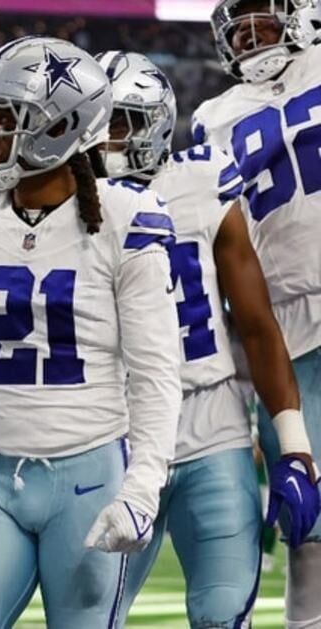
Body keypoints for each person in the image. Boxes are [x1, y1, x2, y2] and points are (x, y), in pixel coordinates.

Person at [0, 36, 183, 628]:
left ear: (61, 126)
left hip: (91, 476)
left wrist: (141, 489)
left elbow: (155, 374)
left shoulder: (125, 219)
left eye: (6, 118)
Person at [98, 49, 320, 627]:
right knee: (90, 614)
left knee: (223, 615)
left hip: (210, 422)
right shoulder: (64, 209)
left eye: (120, 121)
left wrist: (293, 447)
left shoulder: (200, 181)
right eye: (95, 122)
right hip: (109, 433)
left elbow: (255, 322)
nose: (105, 139)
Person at [193, 2, 321, 625]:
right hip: (284, 326)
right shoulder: (212, 118)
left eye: (262, 19)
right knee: (309, 519)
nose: (248, 32)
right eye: (238, 25)